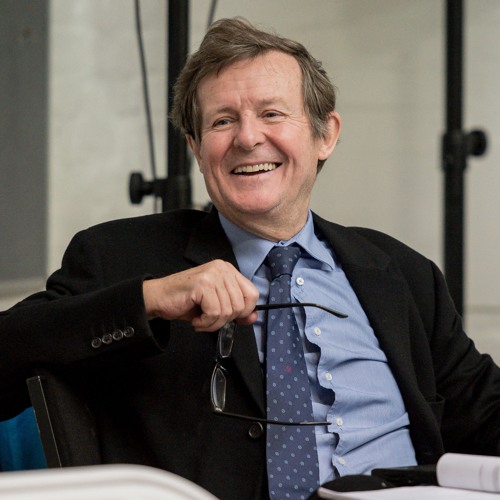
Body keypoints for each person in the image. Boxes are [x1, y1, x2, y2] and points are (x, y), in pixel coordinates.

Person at [1, 17, 499, 500]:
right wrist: (150, 299)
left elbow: (484, 412)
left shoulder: (403, 273)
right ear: (196, 148)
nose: (247, 137)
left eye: (272, 114)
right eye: (222, 121)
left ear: (326, 134)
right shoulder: (121, 257)